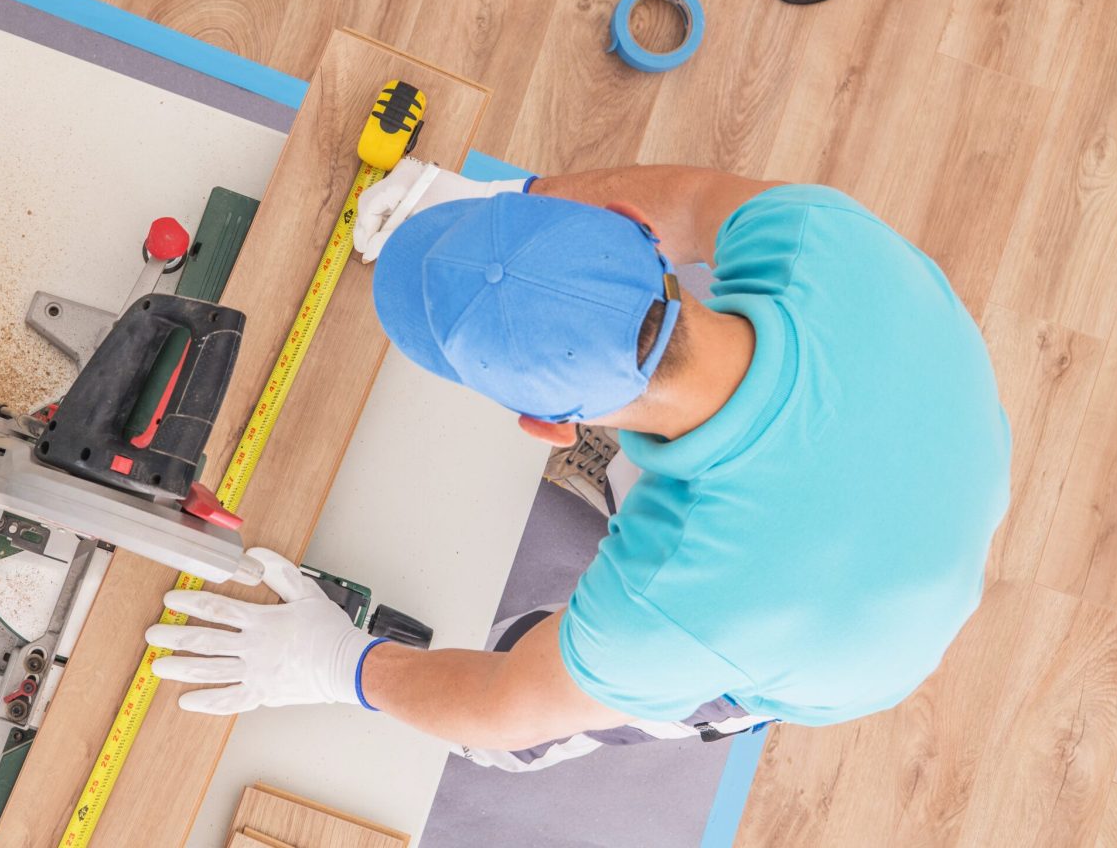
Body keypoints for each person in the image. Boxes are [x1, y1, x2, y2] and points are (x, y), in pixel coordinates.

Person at [145, 159, 1011, 768]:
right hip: (943, 443)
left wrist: (341, 665)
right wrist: (513, 206)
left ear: (545, 425)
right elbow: (692, 197)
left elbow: (500, 709)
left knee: (534, 701)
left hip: (857, 651)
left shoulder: (670, 607)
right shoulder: (820, 240)